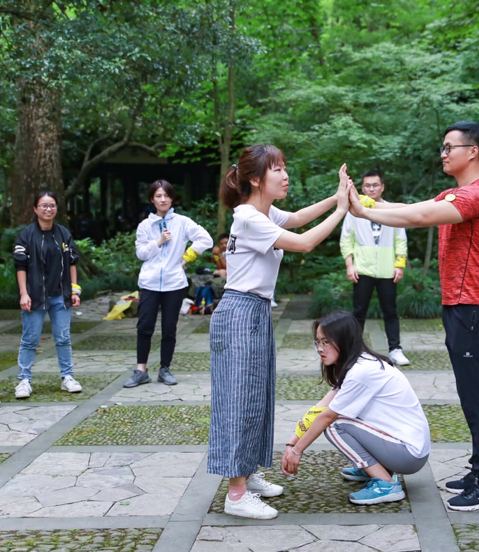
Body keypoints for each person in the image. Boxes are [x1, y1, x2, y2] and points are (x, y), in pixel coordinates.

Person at [348, 121, 479, 512]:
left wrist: (363, 209)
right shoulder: (455, 193)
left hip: (475, 309)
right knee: (472, 395)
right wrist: (364, 204)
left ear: (473, 151)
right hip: (462, 307)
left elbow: (418, 218)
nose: (443, 153)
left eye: (450, 147)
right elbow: (406, 209)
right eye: (443, 147)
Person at [209, 145, 353, 520]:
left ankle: (247, 474)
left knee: (258, 397)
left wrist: (336, 196)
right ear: (257, 179)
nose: (285, 175)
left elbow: (299, 218)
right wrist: (341, 210)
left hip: (254, 311)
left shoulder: (263, 212)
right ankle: (236, 494)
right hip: (240, 313)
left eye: (285, 167)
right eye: (277, 169)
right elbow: (304, 242)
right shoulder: (247, 218)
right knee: (240, 401)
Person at [281, 311, 430, 505]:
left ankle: (386, 484)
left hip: (408, 453)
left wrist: (297, 451)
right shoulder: (356, 364)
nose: (320, 349)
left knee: (334, 424)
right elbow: (318, 410)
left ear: (344, 341)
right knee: (336, 417)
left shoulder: (362, 371)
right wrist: (291, 444)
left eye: (326, 342)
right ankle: (373, 468)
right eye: (317, 342)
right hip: (402, 445)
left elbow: (327, 417)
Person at [125, 180, 213, 388]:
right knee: (144, 326)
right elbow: (141, 253)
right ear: (152, 199)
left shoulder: (182, 222)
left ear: (172, 198)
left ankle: (165, 369)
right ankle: (141, 370)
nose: (163, 199)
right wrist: (158, 242)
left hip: (174, 283)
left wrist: (187, 257)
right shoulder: (145, 225)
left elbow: (206, 239)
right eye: (158, 196)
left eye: (166, 195)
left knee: (169, 328)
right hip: (149, 283)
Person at [13, 191, 83, 399]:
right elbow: (20, 266)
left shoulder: (63, 233)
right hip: (34, 295)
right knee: (30, 339)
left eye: (52, 205)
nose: (48, 209)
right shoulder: (26, 235)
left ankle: (67, 377)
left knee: (63, 337)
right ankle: (24, 380)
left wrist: (74, 290)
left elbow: (72, 262)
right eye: (43, 205)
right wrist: (24, 294)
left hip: (60, 295)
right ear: (35, 209)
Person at [340, 170, 410, 366]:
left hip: (387, 269)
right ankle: (354, 351)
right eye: (367, 186)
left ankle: (395, 349)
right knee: (359, 311)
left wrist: (399, 265)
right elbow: (346, 239)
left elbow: (401, 239)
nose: (371, 189)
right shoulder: (354, 211)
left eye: (375, 185)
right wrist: (349, 265)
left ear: (382, 187)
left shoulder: (392, 209)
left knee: (390, 311)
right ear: (362, 188)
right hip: (363, 268)